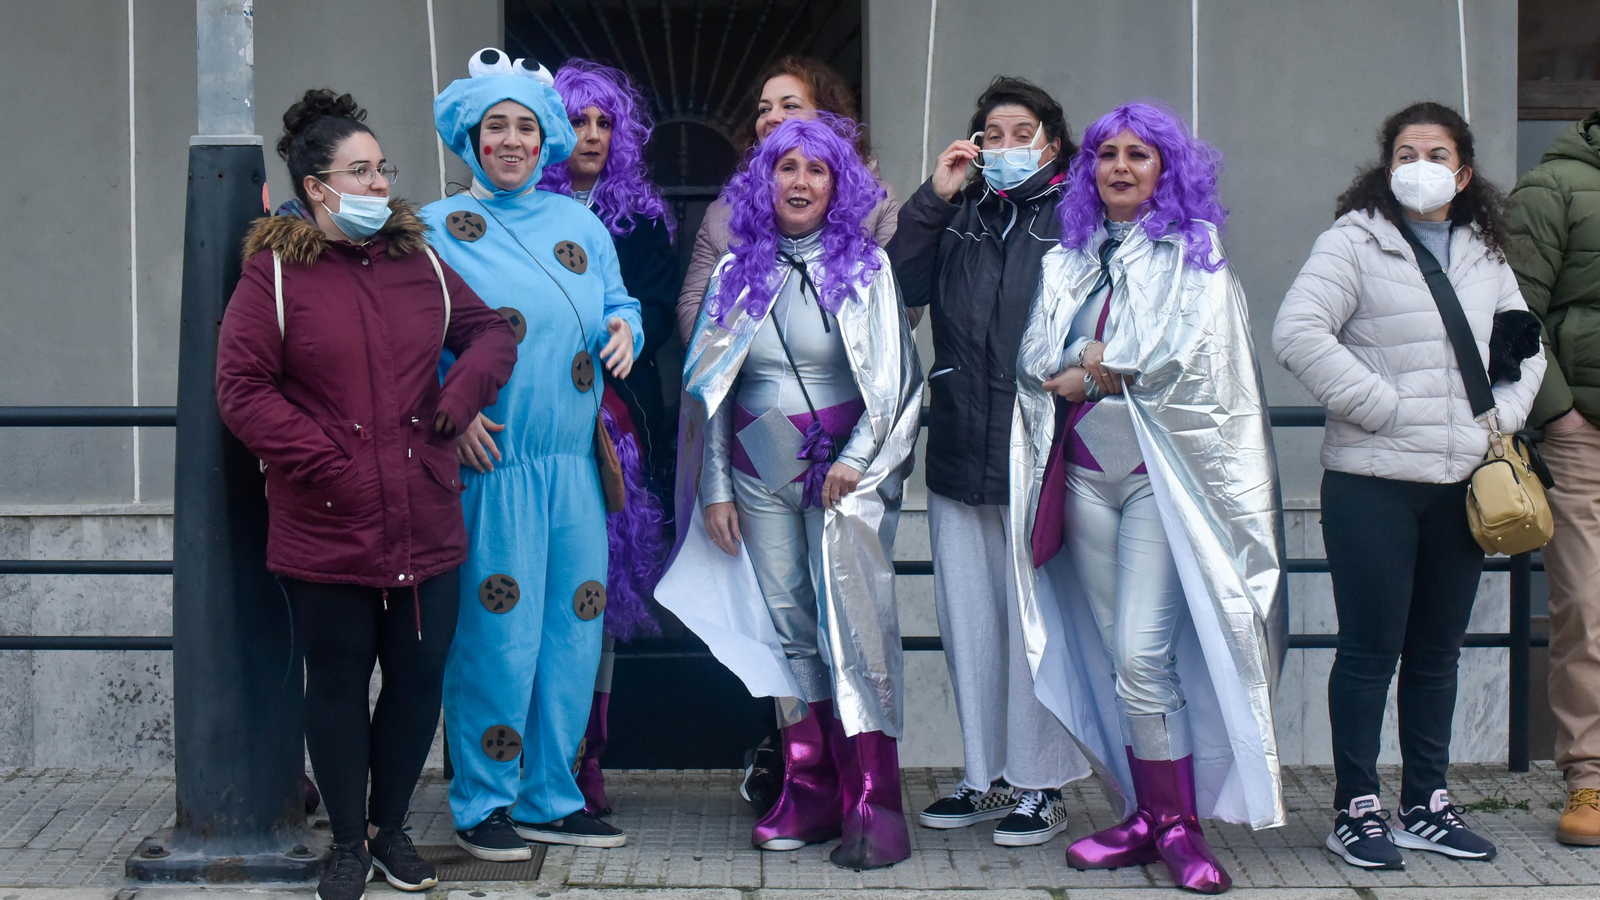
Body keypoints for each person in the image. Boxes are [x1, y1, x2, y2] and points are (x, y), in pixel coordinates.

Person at [216, 89, 517, 900]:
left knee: (420, 679)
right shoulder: (275, 273)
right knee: (339, 685)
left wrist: (458, 406)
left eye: (383, 169)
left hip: (425, 512)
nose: (381, 185)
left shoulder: (418, 262)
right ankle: (347, 841)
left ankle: (392, 831)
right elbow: (240, 387)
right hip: (327, 523)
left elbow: (491, 332)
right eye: (362, 171)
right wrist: (321, 457)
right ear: (317, 187)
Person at [1012, 102, 1286, 895]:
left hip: (1160, 490)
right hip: (1086, 478)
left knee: (1142, 654)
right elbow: (1035, 358)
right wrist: (1096, 364)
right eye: (1107, 155)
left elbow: (1174, 358)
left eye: (1140, 154)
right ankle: (1145, 815)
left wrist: (1092, 363)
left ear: (1168, 170)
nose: (1121, 167)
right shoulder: (1066, 258)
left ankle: (1179, 826)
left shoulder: (1196, 257)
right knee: (1120, 656)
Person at [1274, 101, 1544, 870]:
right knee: (1369, 651)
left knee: (1437, 652)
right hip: (1373, 484)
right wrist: (1383, 406)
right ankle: (1355, 807)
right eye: (1404, 151)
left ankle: (1427, 801)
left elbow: (1527, 345)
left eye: (1435, 151)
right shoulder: (1353, 242)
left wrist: (1501, 419)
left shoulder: (1484, 252)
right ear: (1385, 166)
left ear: (1462, 172)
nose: (1418, 162)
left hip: (1462, 484)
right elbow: (1297, 332)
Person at [655, 115, 924, 870]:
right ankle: (808, 784)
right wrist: (714, 489)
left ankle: (874, 796)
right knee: (787, 626)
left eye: (817, 170)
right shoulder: (738, 270)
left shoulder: (868, 267)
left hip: (847, 466)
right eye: (786, 168)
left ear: (839, 186)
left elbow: (898, 383)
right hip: (758, 462)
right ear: (763, 181)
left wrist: (860, 459)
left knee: (854, 624)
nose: (800, 182)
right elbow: (710, 386)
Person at [420, 48, 645, 859]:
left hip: (575, 468)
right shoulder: (435, 230)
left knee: (573, 632)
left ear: (544, 136)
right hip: (494, 469)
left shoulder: (582, 225)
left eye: (523, 126)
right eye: (494, 127)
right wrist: (448, 417)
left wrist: (628, 329)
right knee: (496, 637)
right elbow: (411, 351)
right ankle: (484, 801)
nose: (510, 141)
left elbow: (621, 302)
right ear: (470, 137)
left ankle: (553, 793)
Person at [885, 75, 1078, 845]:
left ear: (1052, 143)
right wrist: (934, 196)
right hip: (962, 443)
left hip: (1041, 450)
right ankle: (983, 775)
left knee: (1038, 624)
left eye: (1019, 132)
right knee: (970, 622)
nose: (1002, 148)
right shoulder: (960, 212)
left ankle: (1042, 783)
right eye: (990, 134)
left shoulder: (1075, 216)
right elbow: (895, 282)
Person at [538, 57, 680, 818]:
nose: (592, 134)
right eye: (579, 119)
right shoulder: (519, 209)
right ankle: (531, 758)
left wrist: (630, 329)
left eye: (605, 122)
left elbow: (656, 309)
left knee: (597, 597)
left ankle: (587, 761)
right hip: (533, 433)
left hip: (614, 428)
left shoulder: (646, 219)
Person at [1504, 108, 1600, 847]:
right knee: (1587, 612)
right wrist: (1560, 416)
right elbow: (1517, 316)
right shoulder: (1552, 189)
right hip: (1583, 440)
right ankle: (1589, 780)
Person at [673, 54, 902, 345]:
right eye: (764, 109)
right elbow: (694, 310)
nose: (772, 117)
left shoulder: (876, 203)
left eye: (789, 106)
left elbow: (903, 309)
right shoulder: (722, 214)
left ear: (828, 118)